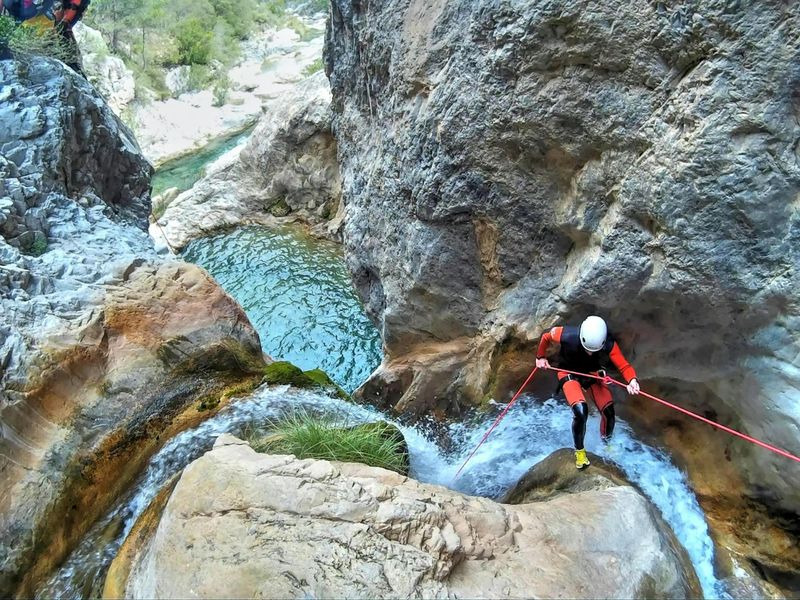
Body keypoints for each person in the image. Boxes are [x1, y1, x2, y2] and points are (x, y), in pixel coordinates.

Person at [535, 315, 640, 470]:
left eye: (594, 350)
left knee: (609, 412)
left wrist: (632, 381)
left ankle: (607, 445)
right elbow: (546, 336)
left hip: (591, 374)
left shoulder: (609, 344)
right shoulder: (567, 334)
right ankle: (580, 453)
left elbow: (624, 366)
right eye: (587, 349)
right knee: (580, 411)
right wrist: (540, 357)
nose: (590, 353)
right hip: (567, 372)